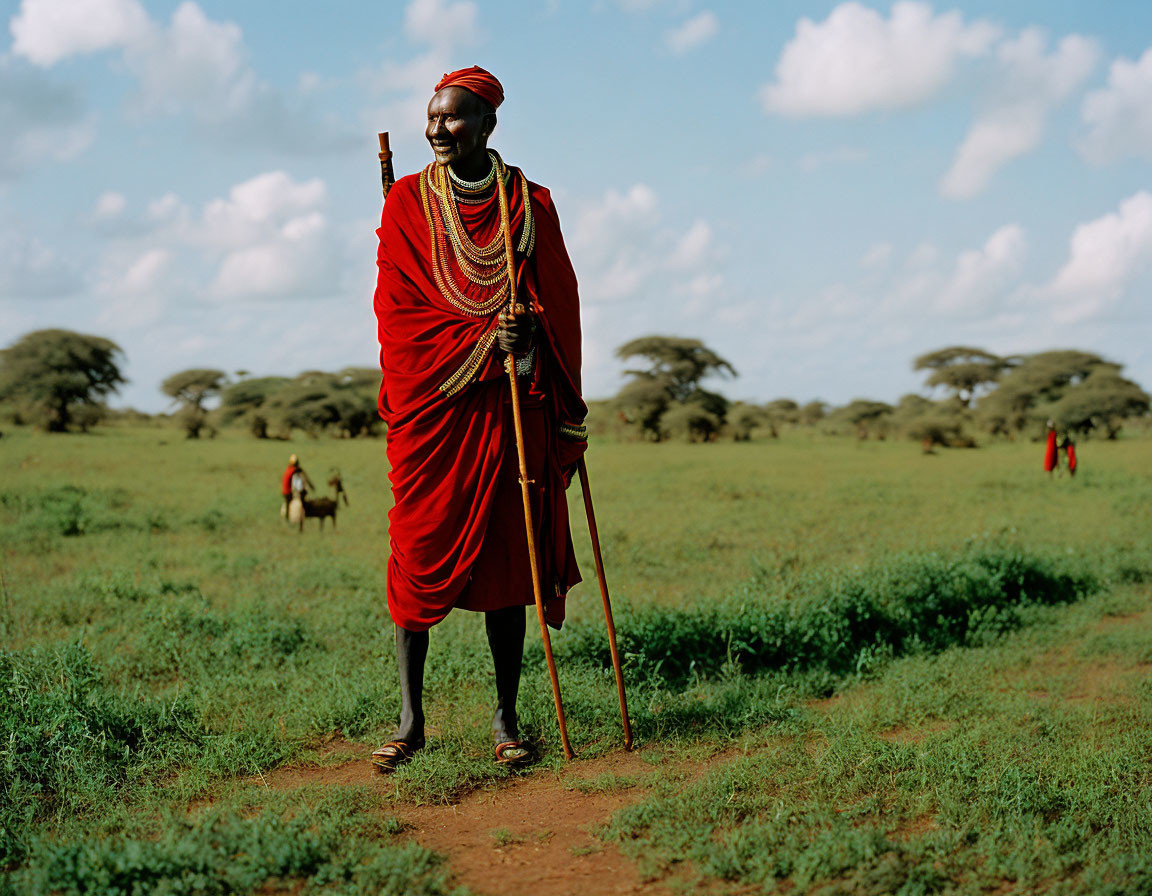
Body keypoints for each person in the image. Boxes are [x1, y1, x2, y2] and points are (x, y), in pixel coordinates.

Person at [371, 66, 587, 771]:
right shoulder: (406, 203)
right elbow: (398, 318)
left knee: (507, 562)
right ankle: (410, 719)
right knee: (416, 551)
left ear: (489, 125)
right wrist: (478, 339)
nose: (436, 129)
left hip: (507, 405)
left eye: (453, 117)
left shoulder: (528, 204)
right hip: (434, 410)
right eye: (431, 117)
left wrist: (529, 339)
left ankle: (505, 717)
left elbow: (557, 304)